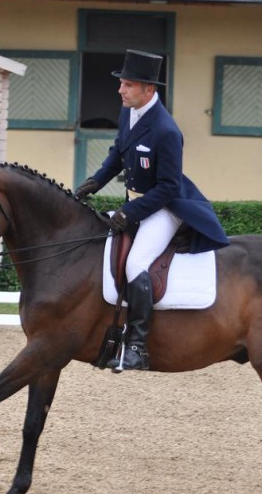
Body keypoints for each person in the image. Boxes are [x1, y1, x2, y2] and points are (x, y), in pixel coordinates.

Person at [74, 49, 229, 372]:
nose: (120, 90)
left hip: (166, 207)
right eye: (122, 84)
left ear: (148, 90)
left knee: (136, 263)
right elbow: (118, 152)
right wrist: (95, 182)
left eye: (128, 85)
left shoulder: (167, 131)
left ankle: (137, 346)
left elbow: (169, 188)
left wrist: (130, 214)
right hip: (140, 202)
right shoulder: (128, 112)